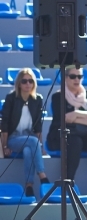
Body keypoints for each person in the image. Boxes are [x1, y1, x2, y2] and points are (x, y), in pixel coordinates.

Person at [48, 68, 87, 183]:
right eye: (73, 76)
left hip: (83, 133)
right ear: (65, 78)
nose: (76, 79)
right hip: (61, 136)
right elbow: (64, 118)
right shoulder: (58, 96)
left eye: (79, 77)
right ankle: (68, 181)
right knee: (75, 142)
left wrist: (75, 114)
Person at [1, 69, 49, 197]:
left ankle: (29, 186)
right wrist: (4, 146)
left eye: (31, 81)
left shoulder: (37, 99)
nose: (28, 84)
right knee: (34, 142)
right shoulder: (11, 98)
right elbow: (4, 123)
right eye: (24, 81)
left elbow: (38, 126)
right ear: (19, 83)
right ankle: (42, 175)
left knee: (29, 150)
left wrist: (41, 147)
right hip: (13, 138)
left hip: (29, 137)